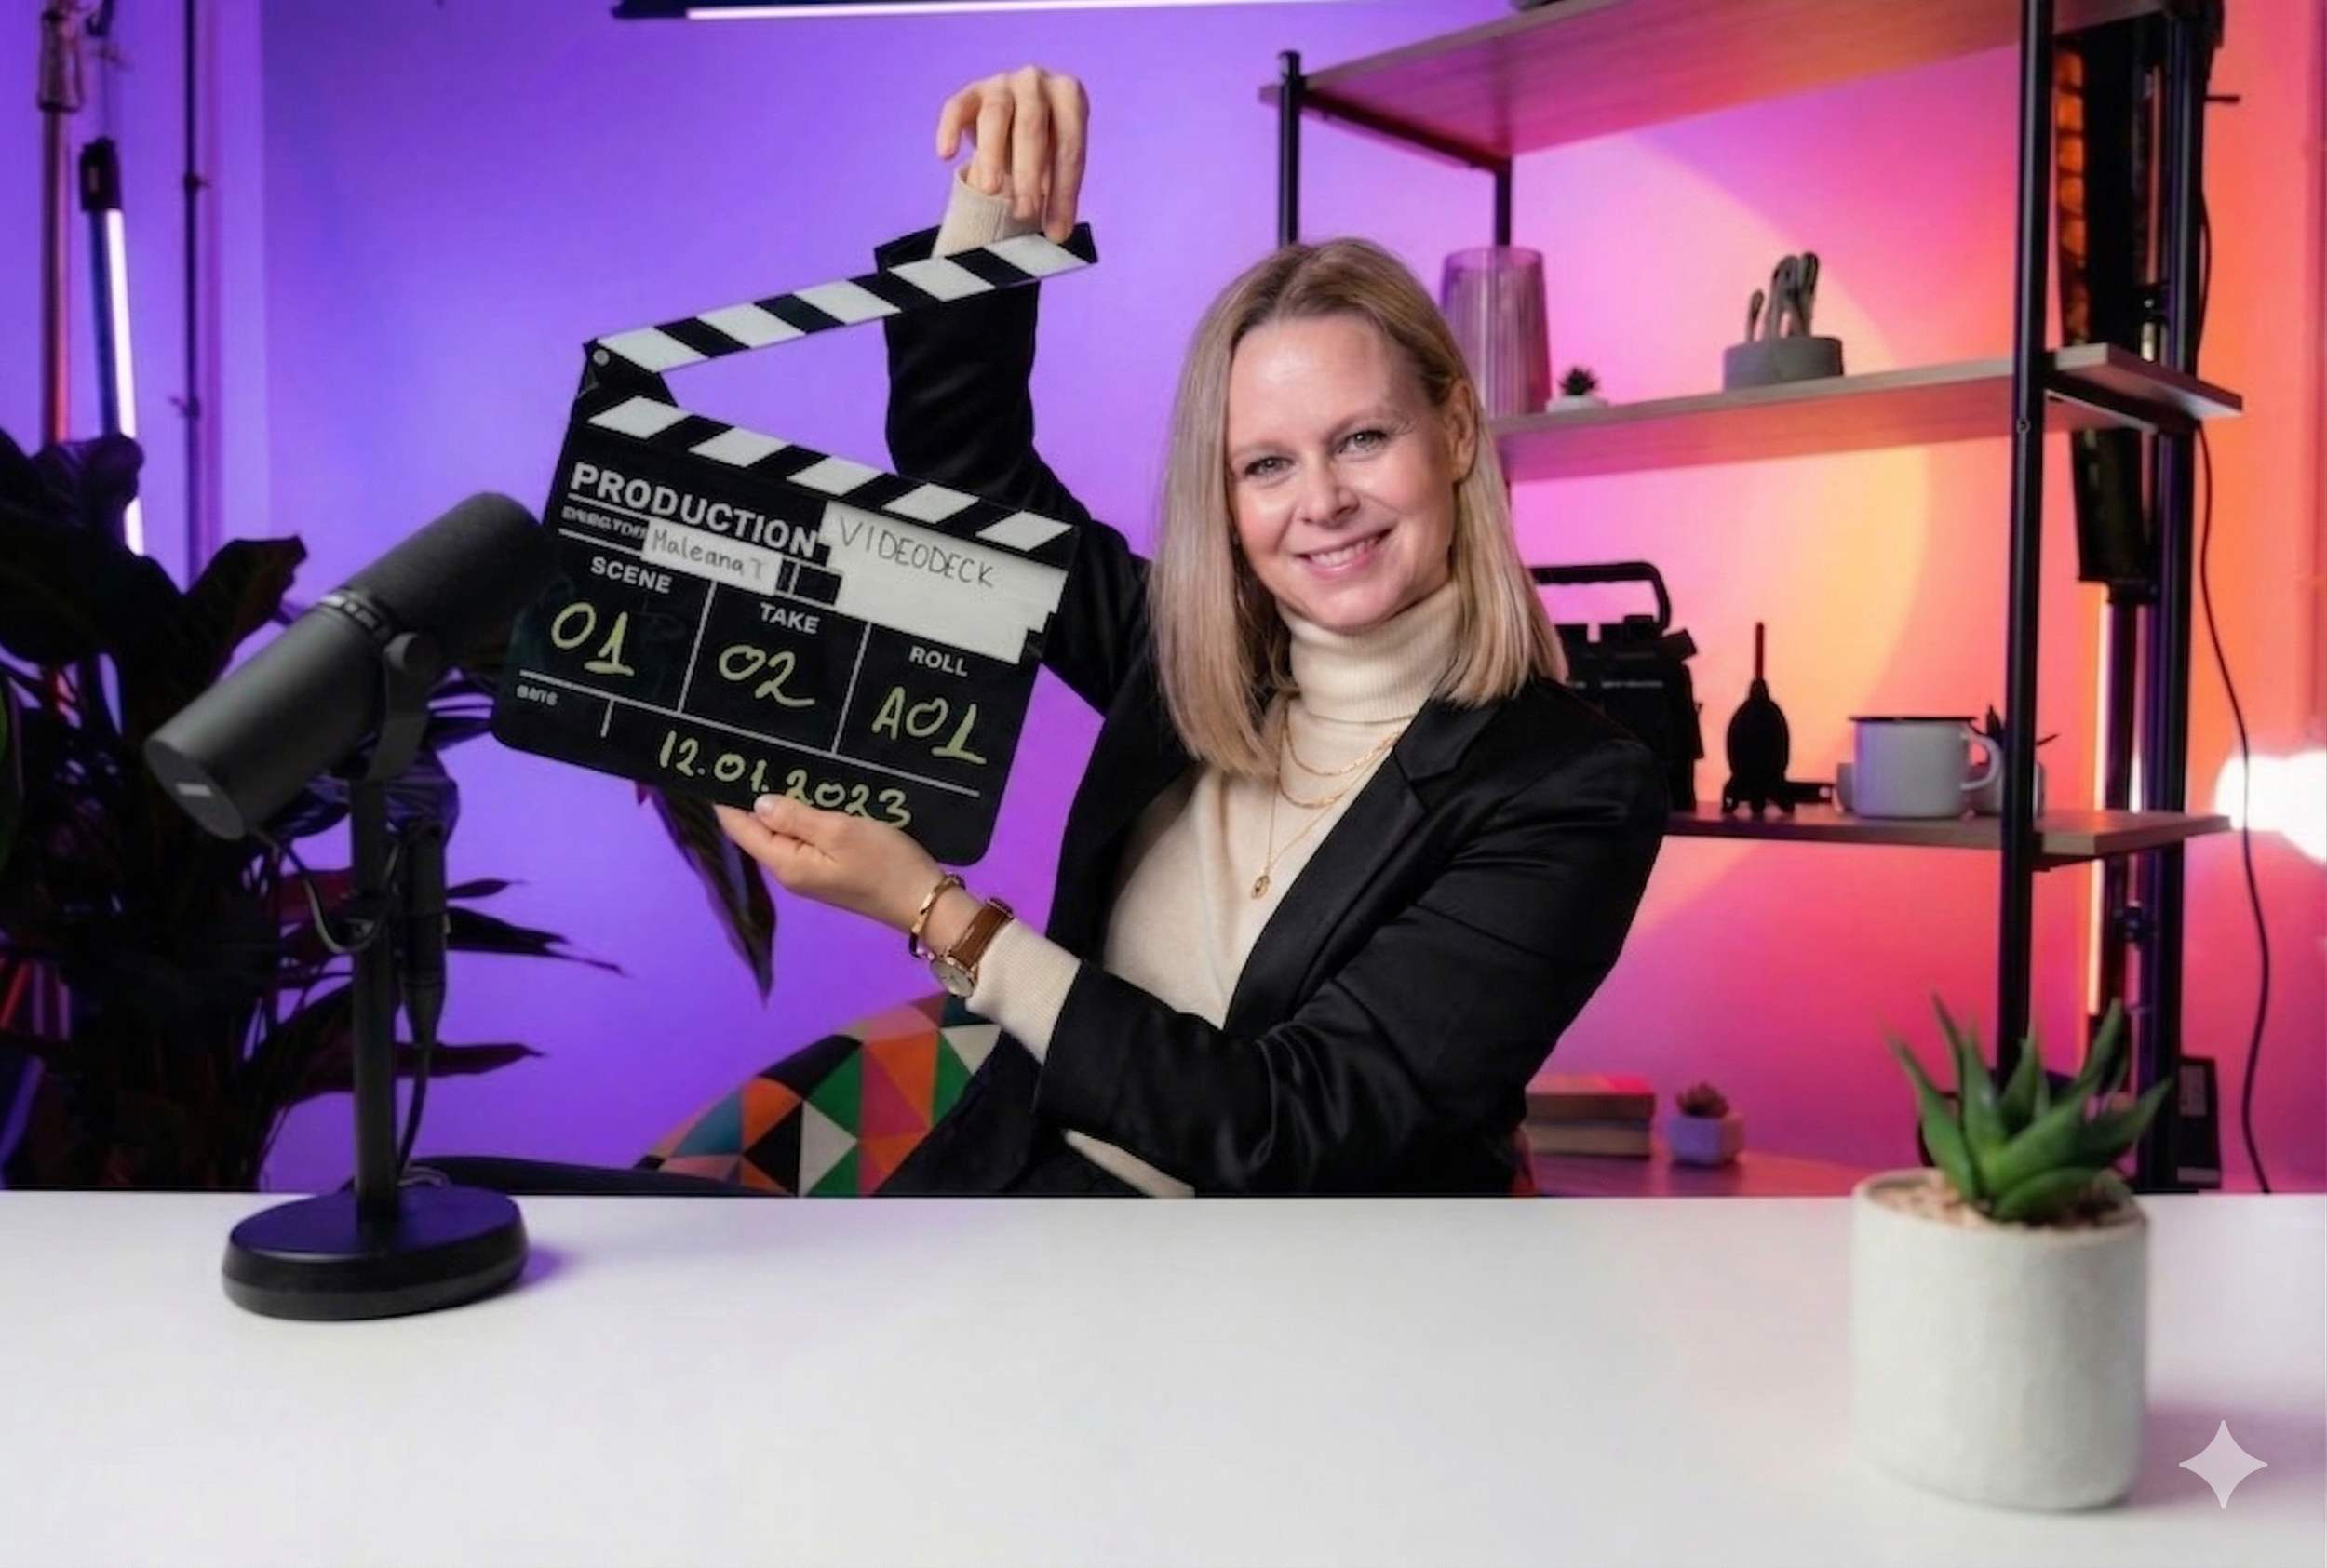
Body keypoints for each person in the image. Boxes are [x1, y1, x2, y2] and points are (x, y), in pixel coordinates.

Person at [716, 66, 1667, 1196]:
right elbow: (966, 475)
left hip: (1269, 1311)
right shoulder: (1183, 658)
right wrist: (993, 215)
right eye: (1265, 463)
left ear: (1454, 429)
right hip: (1004, 1209)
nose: (1319, 500)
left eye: (1362, 438)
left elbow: (1293, 1128)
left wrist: (942, 918)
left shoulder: (1570, 784)